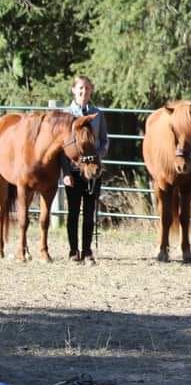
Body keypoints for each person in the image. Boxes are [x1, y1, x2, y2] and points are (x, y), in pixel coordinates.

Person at [61, 75, 109, 264]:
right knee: (73, 212)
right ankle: (74, 250)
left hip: (93, 169)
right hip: (73, 170)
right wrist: (65, 173)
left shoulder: (98, 114)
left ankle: (87, 250)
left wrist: (97, 156)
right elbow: (61, 148)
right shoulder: (66, 115)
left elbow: (105, 140)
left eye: (87, 88)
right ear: (74, 90)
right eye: (80, 88)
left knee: (90, 211)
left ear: (91, 91)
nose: (84, 92)